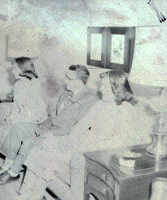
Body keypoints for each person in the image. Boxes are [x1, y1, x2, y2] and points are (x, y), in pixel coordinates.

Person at [19, 70, 157, 200]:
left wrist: (81, 145)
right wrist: (70, 141)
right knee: (41, 147)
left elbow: (117, 142)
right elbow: (79, 128)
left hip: (95, 152)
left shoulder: (124, 110)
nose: (100, 89)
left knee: (48, 157)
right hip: (82, 143)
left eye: (104, 86)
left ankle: (32, 196)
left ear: (115, 88)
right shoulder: (100, 104)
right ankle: (25, 194)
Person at [0, 57, 48, 185]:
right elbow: (19, 107)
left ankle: (5, 167)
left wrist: (13, 119)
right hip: (29, 118)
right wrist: (11, 117)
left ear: (21, 69)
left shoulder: (24, 84)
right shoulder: (23, 82)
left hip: (35, 121)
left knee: (8, 128)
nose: (11, 70)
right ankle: (4, 166)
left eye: (14, 68)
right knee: (2, 126)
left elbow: (32, 112)